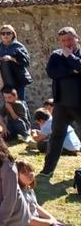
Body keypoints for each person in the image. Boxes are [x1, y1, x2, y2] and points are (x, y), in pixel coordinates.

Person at [40, 26, 81, 177]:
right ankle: (47, 169)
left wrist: (71, 57)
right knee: (56, 136)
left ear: (76, 38)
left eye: (70, 39)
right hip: (61, 104)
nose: (67, 43)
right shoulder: (56, 55)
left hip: (79, 103)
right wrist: (72, 71)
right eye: (63, 40)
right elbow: (52, 72)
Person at [0, 25, 32, 100]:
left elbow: (26, 62)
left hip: (18, 80)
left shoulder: (18, 46)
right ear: (0, 35)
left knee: (19, 102)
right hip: (4, 80)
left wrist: (12, 58)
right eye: (3, 33)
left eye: (8, 33)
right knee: (8, 104)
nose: (5, 35)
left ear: (13, 34)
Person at [15, 161, 64, 226]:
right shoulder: (17, 194)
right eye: (24, 172)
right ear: (17, 176)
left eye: (30, 170)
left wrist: (52, 219)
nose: (29, 174)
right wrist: (49, 223)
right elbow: (26, 219)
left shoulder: (29, 189)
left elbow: (36, 206)